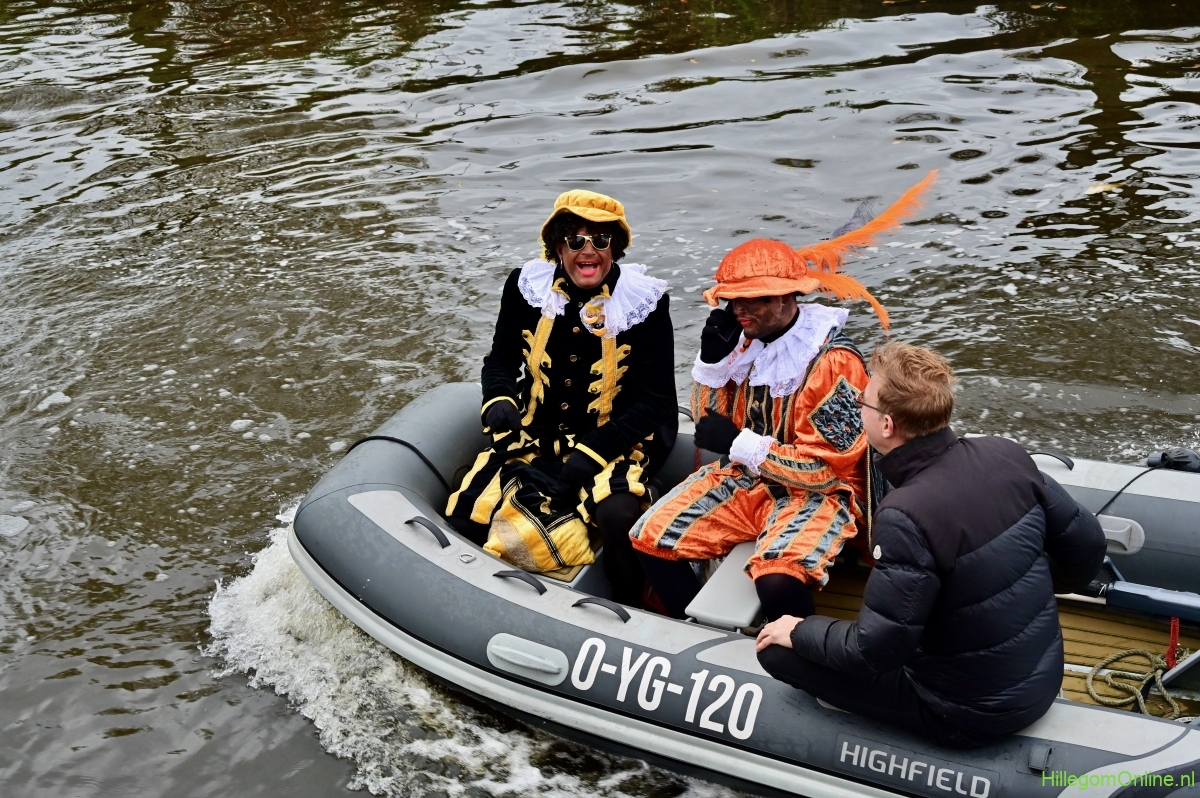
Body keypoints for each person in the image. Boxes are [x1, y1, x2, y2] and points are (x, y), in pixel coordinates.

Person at [755, 342, 1107, 749]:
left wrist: (799, 629)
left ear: (887, 425)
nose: (858, 408)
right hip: (1040, 679)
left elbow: (875, 651)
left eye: (863, 402)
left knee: (775, 652)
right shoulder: (1006, 453)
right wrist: (1027, 581)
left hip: (962, 713)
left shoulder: (904, 514)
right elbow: (1087, 547)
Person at [630, 172, 938, 621]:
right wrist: (712, 363)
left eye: (754, 299)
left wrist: (741, 444)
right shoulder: (740, 344)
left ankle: (801, 647)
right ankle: (690, 630)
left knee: (777, 577)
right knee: (650, 538)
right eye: (734, 300)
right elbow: (708, 425)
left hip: (820, 494)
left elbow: (826, 470)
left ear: (788, 298)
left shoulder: (832, 362)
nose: (740, 310)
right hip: (749, 479)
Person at [446, 190, 676, 607]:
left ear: (615, 248)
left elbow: (655, 401)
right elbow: (500, 361)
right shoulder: (525, 287)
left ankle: (627, 607)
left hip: (611, 443)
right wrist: (498, 398)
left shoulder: (646, 303)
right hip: (532, 434)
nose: (588, 250)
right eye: (575, 240)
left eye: (600, 240)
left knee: (619, 517)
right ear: (557, 246)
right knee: (466, 515)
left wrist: (592, 453)